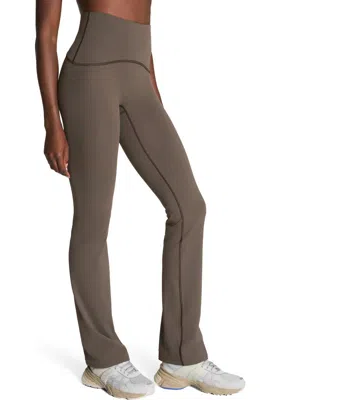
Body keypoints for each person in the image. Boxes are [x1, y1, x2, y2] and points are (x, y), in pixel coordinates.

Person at [35, 0, 245, 397]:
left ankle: (183, 356)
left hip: (139, 75)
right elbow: (45, 34)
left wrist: (155, 102)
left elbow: (142, 27)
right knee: (94, 219)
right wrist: (52, 122)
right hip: (89, 75)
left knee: (189, 208)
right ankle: (102, 360)